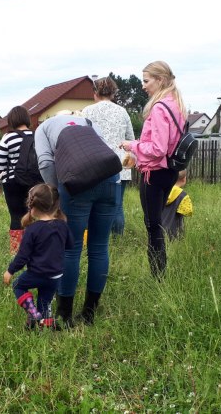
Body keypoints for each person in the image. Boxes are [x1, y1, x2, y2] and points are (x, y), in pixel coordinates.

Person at [35, 112, 120, 326]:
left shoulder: (43, 128)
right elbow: (102, 152)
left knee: (70, 249)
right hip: (111, 180)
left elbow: (45, 163)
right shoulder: (88, 123)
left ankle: (65, 316)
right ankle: (89, 313)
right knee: (100, 247)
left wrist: (57, 193)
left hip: (77, 182)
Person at [121, 60, 187, 279]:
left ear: (160, 80)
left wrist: (132, 145)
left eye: (146, 80)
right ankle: (159, 273)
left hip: (154, 172)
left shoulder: (159, 108)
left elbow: (157, 149)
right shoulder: (176, 105)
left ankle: (158, 276)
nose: (143, 85)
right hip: (169, 172)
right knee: (155, 223)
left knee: (153, 226)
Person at [3, 184, 74, 330]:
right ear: (55, 205)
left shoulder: (32, 230)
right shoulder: (62, 226)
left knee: (18, 285)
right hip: (55, 276)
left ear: (32, 206)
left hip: (37, 273)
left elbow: (22, 256)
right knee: (45, 302)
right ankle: (45, 326)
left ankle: (33, 314)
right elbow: (70, 245)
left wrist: (10, 271)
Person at [82, 76, 135, 235]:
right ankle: (117, 241)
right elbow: (131, 139)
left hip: (94, 165)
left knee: (93, 205)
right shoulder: (122, 111)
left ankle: (97, 238)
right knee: (117, 206)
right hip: (120, 165)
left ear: (95, 92)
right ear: (113, 93)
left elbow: (80, 137)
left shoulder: (87, 111)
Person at [0, 106, 35, 254]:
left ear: (12, 120)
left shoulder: (8, 137)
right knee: (33, 215)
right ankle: (34, 248)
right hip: (35, 183)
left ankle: (16, 252)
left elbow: (0, 164)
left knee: (17, 216)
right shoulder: (37, 135)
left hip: (13, 182)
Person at [161, 169, 193, 240]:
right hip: (175, 234)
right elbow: (187, 212)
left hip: (159, 232)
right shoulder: (183, 196)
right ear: (184, 179)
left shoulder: (161, 192)